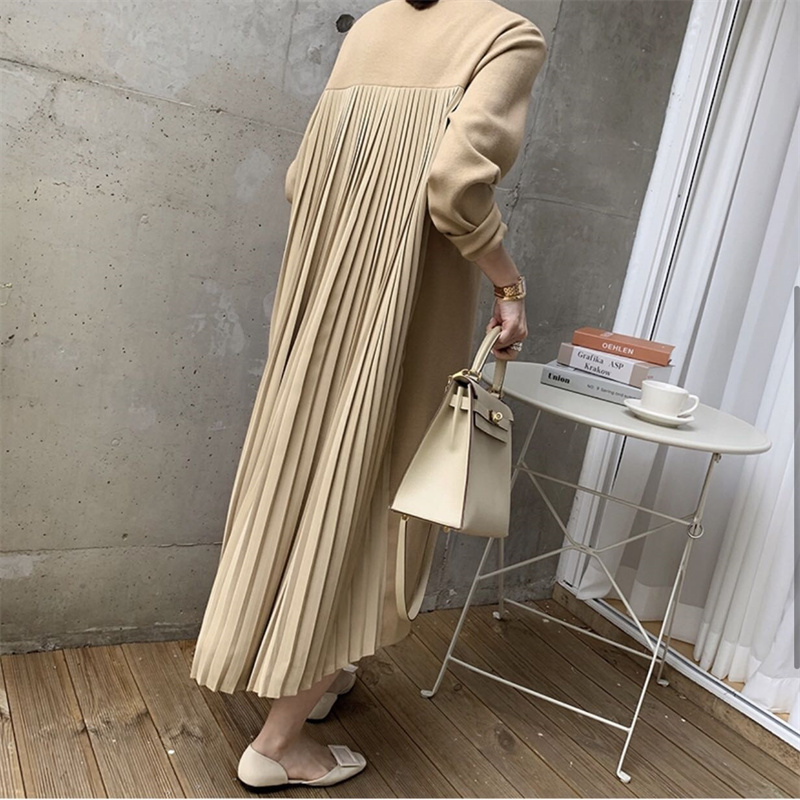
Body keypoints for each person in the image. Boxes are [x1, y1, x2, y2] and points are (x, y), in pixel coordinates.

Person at [189, 0, 547, 789]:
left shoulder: (377, 25)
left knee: (305, 474)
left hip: (320, 297)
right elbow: (454, 187)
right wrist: (509, 286)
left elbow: (301, 177)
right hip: (402, 309)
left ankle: (315, 669)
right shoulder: (505, 36)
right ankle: (277, 746)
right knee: (374, 493)